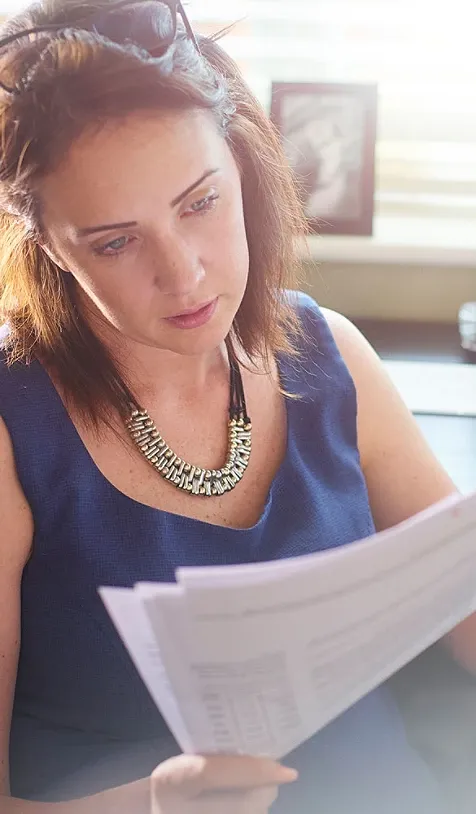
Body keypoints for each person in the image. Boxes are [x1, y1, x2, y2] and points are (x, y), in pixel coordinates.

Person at [0, 1, 474, 811]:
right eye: (116, 241)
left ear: (241, 166)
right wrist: (152, 805)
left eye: (200, 203)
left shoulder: (330, 353)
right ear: (50, 246)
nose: (184, 274)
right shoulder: (14, 431)